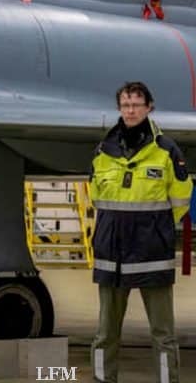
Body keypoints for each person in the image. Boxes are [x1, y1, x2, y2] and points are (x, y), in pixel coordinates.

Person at [90, 81, 192, 383]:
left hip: (152, 254)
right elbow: (98, 197)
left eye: (136, 104)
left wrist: (153, 228)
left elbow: (181, 199)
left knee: (163, 335)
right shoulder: (103, 151)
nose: (131, 110)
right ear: (119, 108)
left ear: (149, 108)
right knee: (105, 334)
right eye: (125, 104)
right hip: (112, 255)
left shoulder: (166, 151)